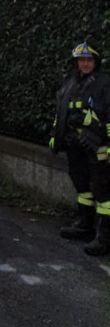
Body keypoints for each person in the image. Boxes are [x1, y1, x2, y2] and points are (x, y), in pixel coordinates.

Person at [50, 39, 110, 257]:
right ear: (75, 63)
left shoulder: (104, 83)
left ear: (95, 62)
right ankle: (85, 225)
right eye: (81, 60)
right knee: (82, 186)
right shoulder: (70, 82)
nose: (84, 64)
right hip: (74, 145)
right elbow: (61, 112)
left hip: (97, 146)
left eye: (88, 60)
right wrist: (55, 137)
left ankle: (104, 238)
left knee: (103, 192)